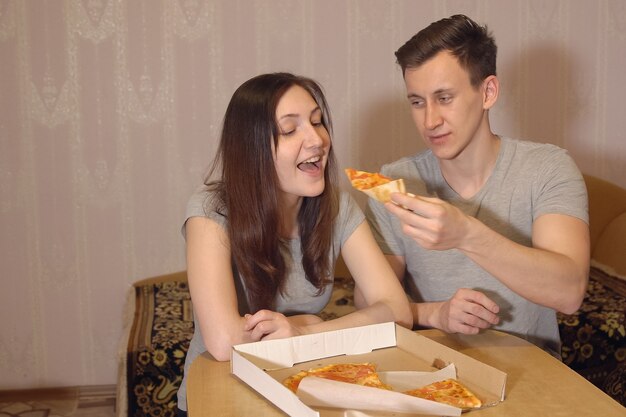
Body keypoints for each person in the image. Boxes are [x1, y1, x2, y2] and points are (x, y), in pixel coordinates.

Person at [176, 72, 412, 414]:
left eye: (317, 122)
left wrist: (302, 331)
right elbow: (224, 342)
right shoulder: (211, 209)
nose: (316, 139)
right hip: (220, 397)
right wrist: (312, 324)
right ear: (252, 148)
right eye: (290, 130)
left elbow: (397, 309)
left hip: (302, 394)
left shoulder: (337, 207)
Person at [361, 15, 590, 356]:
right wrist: (433, 313)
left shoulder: (548, 168)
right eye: (417, 102)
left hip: (535, 383)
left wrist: (466, 235)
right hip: (430, 376)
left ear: (488, 92)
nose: (430, 121)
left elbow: (569, 292)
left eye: (444, 98)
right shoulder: (395, 180)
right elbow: (370, 307)